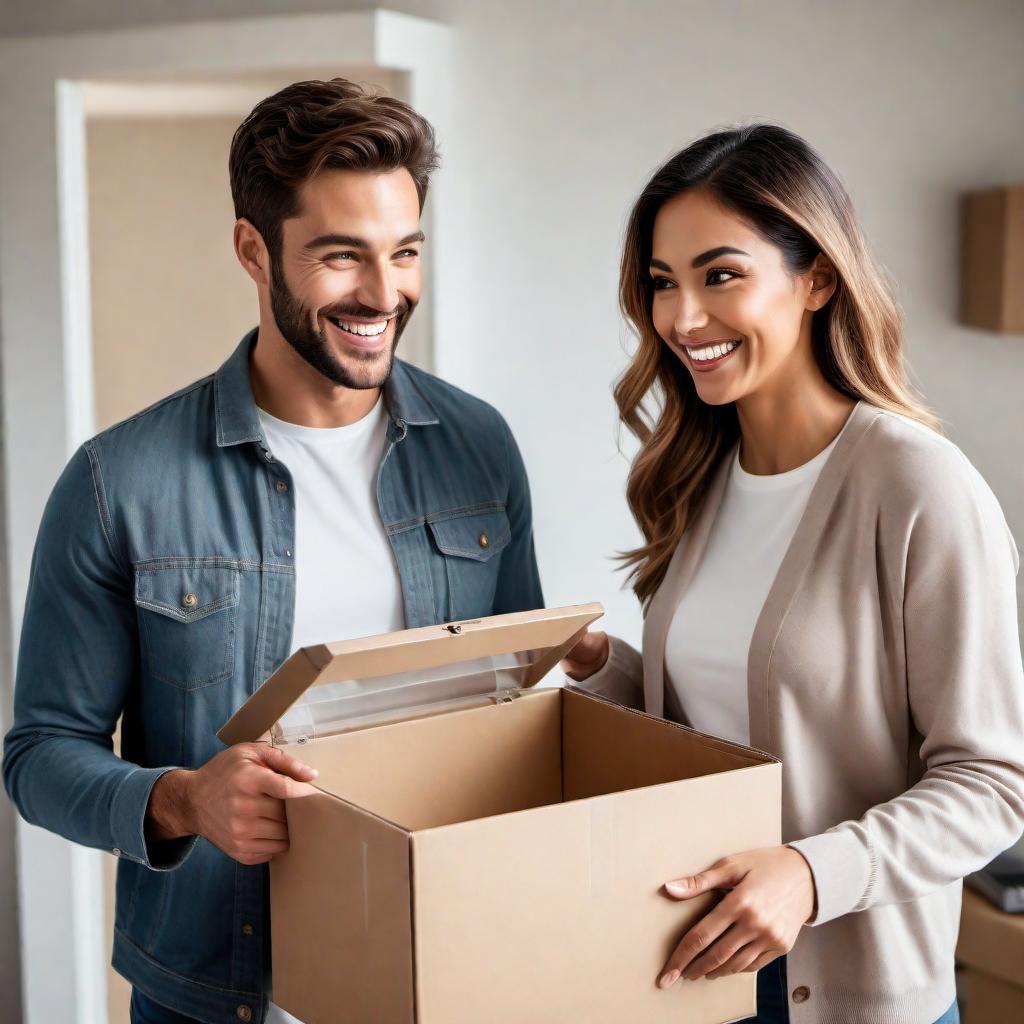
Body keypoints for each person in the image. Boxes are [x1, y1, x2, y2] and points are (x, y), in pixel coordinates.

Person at [3, 78, 542, 1024]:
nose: (384, 294)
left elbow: (512, 706)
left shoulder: (479, 447)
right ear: (254, 250)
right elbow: (41, 757)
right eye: (341, 257)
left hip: (453, 966)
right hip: (216, 994)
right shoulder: (115, 482)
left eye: (404, 253)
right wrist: (183, 799)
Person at [563, 124, 1024, 1024]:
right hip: (694, 971)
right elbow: (728, 726)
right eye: (663, 284)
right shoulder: (697, 477)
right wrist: (607, 669)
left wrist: (814, 873)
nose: (683, 318)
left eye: (720, 275)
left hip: (855, 997)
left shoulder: (917, 485)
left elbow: (994, 782)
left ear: (816, 278)